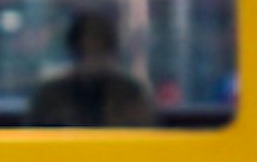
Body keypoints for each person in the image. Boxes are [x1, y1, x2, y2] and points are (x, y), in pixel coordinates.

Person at [26, 10, 158, 129]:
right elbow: (33, 142)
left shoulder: (130, 94)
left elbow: (146, 139)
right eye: (87, 52)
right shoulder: (50, 96)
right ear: (75, 53)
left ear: (110, 53)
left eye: (99, 51)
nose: (93, 60)